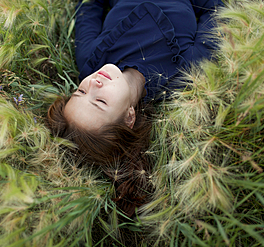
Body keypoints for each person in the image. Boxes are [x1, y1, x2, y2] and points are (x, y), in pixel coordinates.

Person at [46, 0, 224, 217]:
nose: (93, 84)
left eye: (80, 92)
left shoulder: (90, 61)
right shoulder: (182, 73)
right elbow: (215, 12)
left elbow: (89, 7)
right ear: (129, 117)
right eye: (100, 102)